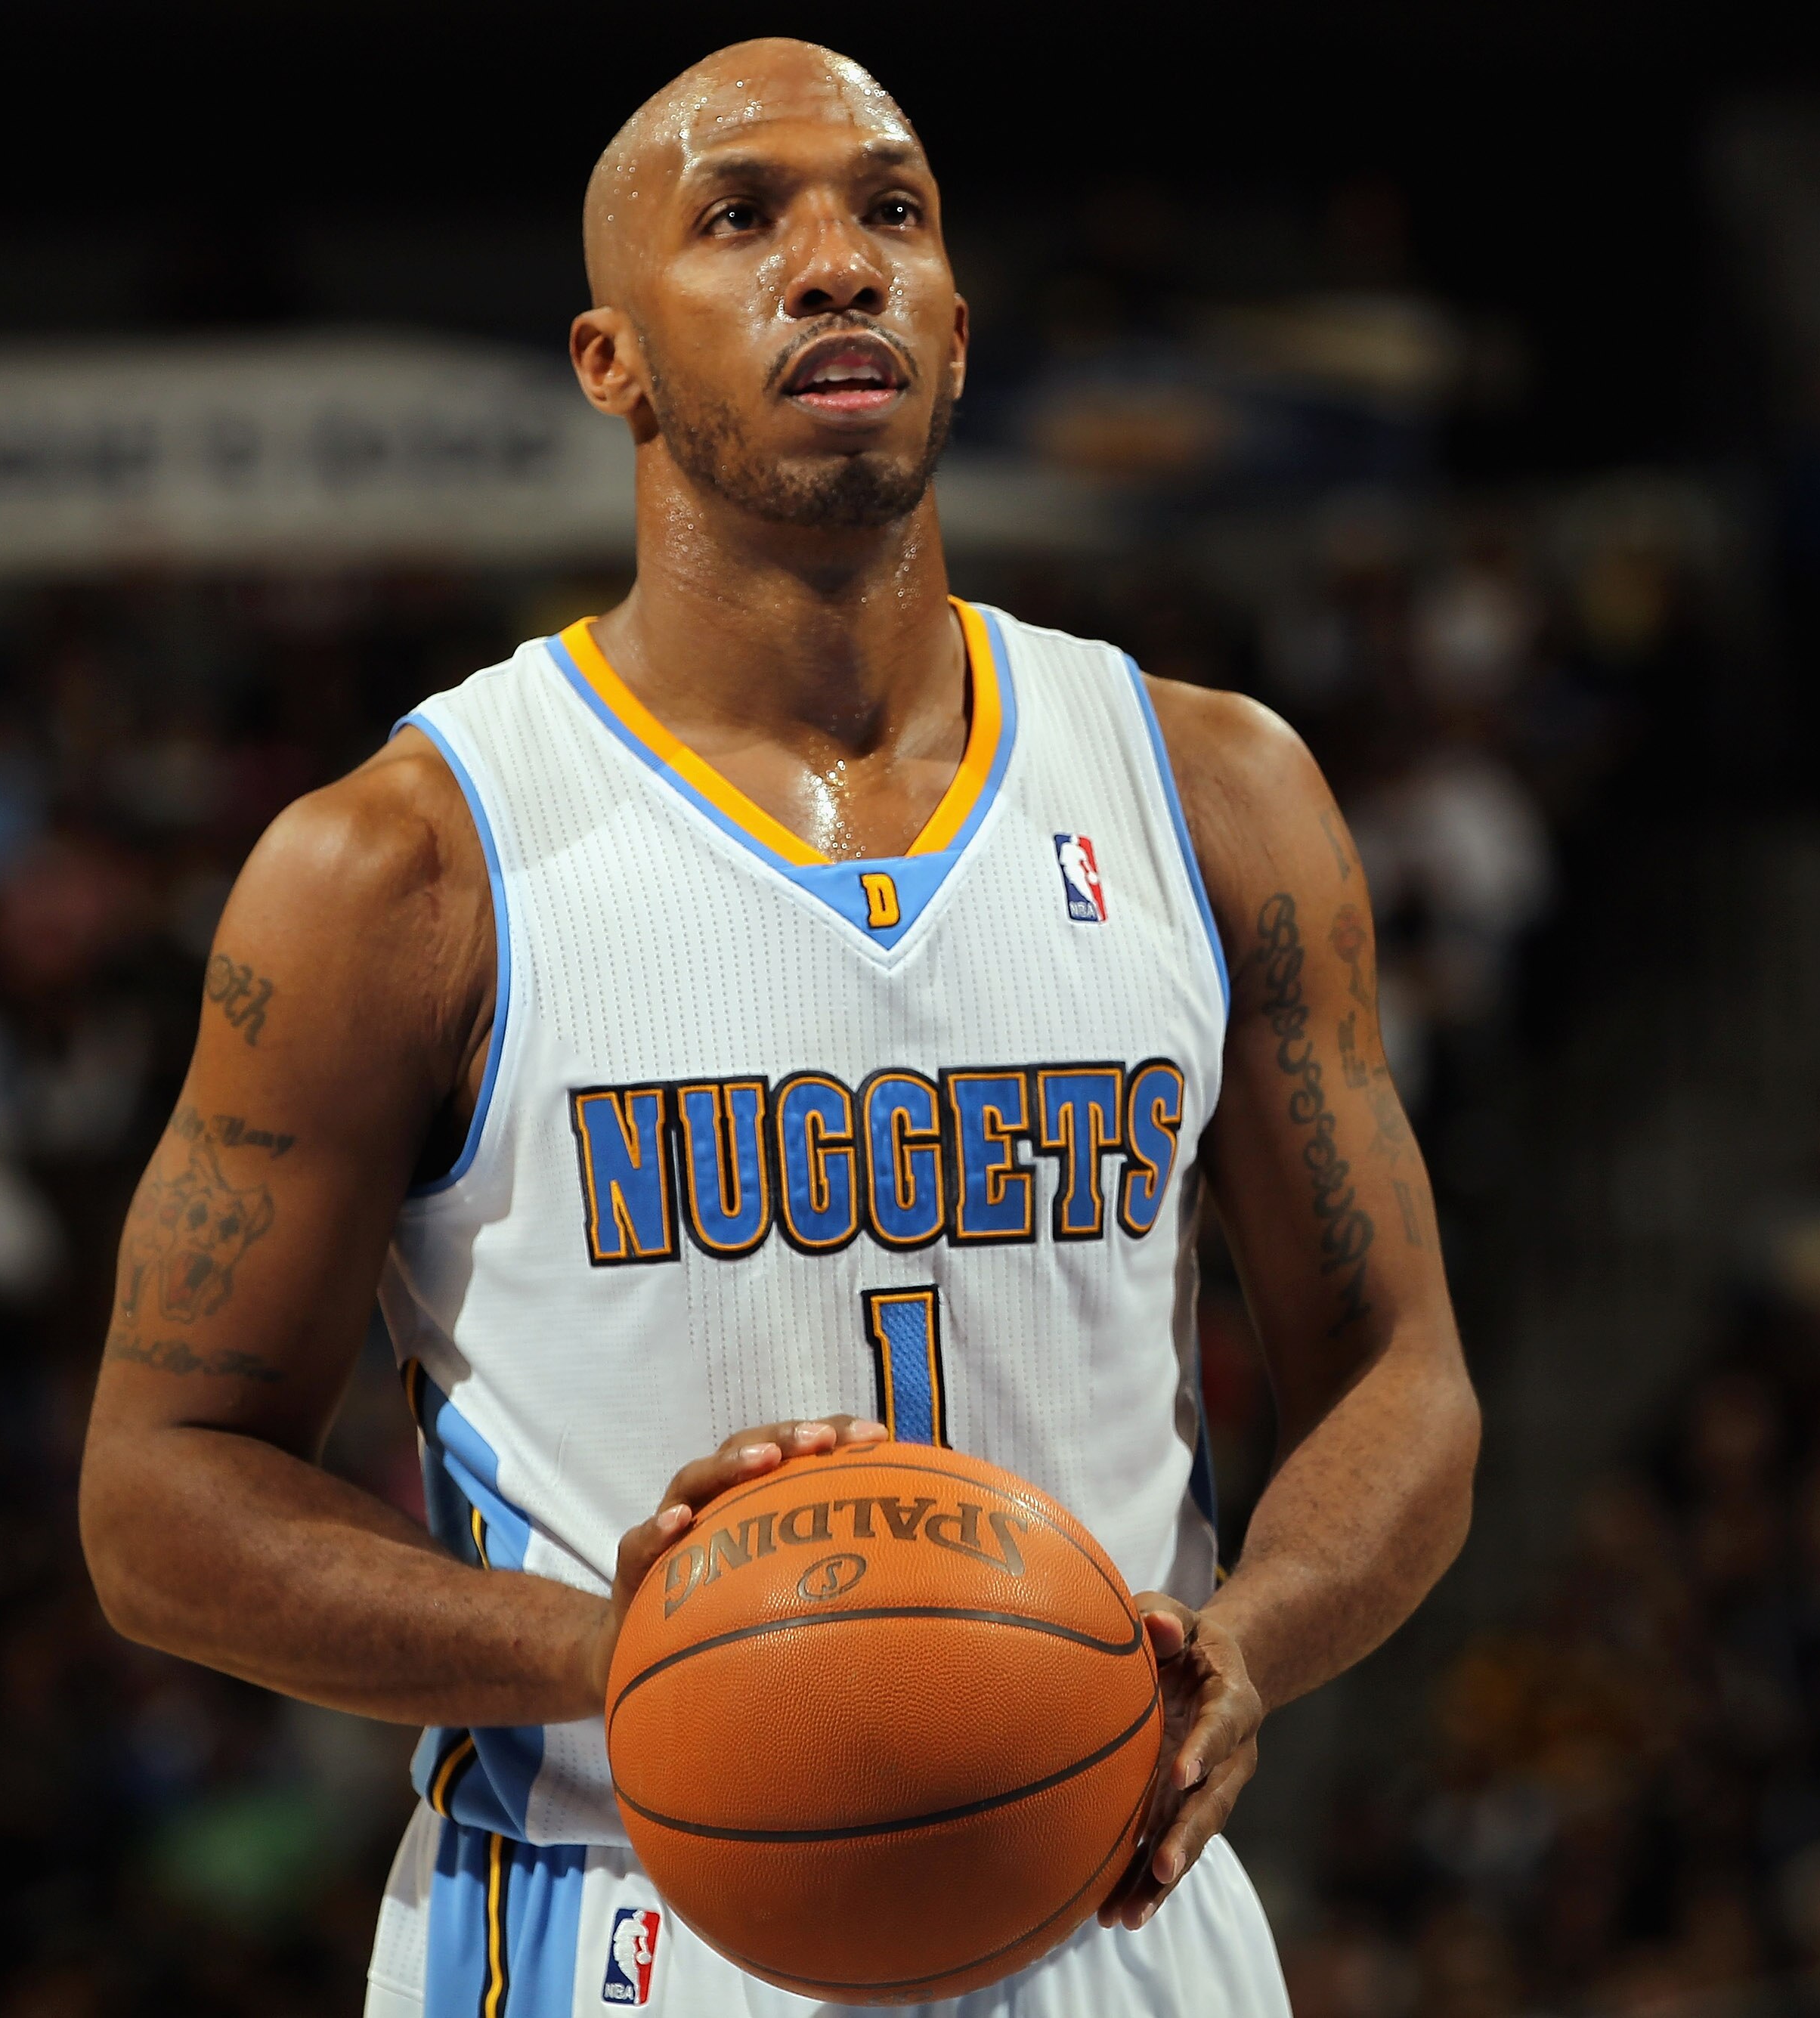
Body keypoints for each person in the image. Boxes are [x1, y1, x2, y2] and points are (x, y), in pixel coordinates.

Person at [75, 39, 1479, 2017]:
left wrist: (1251, 1636)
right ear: (608, 362)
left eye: (889, 211)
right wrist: (617, 1651)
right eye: (743, 218)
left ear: (961, 334)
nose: (838, 264)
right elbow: (157, 1502)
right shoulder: (400, 868)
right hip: (623, 1915)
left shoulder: (1216, 793)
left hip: (1116, 1911)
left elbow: (1403, 1377)